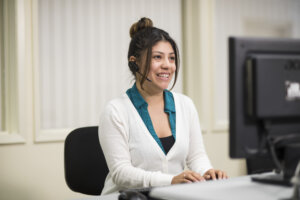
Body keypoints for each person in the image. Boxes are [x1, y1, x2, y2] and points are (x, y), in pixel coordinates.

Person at [99, 17, 228, 195]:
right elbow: (121, 173)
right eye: (158, 57)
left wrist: (206, 173)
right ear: (134, 62)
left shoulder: (185, 105)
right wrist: (171, 181)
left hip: (171, 196)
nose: (168, 65)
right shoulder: (115, 110)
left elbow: (196, 157)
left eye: (172, 58)